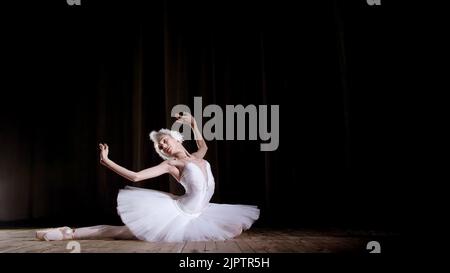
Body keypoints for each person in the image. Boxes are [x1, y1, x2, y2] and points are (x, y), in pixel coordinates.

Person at [36, 112, 259, 242]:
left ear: (177, 139)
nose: (162, 146)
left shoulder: (198, 157)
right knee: (118, 232)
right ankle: (69, 233)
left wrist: (193, 123)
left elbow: (203, 145)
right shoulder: (173, 164)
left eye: (164, 141)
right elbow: (135, 176)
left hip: (201, 213)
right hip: (178, 215)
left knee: (236, 228)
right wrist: (107, 161)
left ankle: (68, 232)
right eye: (160, 146)